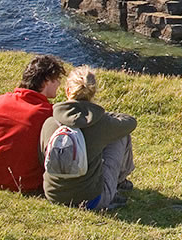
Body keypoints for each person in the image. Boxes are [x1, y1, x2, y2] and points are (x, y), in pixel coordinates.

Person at [41, 65, 136, 210]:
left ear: (68, 91)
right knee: (120, 136)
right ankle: (120, 182)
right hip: (91, 201)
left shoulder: (50, 122)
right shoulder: (101, 124)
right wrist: (104, 116)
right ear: (93, 93)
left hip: (54, 196)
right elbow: (130, 122)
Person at [0, 54, 67, 193]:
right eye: (57, 79)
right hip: (28, 183)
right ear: (46, 81)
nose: (59, 84)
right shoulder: (48, 114)